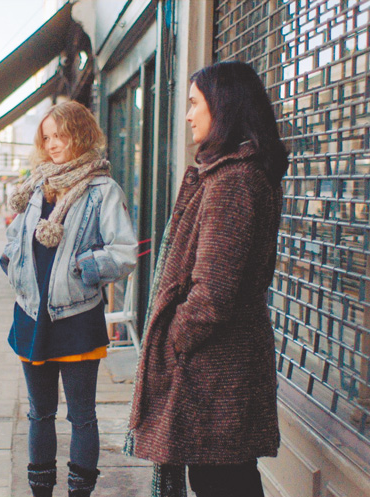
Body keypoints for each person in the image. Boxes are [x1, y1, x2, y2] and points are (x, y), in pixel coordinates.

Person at [127, 61, 288, 497]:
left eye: (195, 102)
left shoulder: (234, 181)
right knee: (225, 477)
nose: (187, 115)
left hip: (217, 372)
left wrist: (172, 340)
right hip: (224, 367)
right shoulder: (238, 173)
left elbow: (212, 294)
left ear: (224, 105)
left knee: (222, 481)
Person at [0, 101, 137, 497]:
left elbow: (123, 251)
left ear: (80, 134)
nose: (53, 144)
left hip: (77, 317)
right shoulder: (36, 185)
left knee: (82, 417)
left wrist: (82, 270)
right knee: (39, 414)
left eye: (60, 135)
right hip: (30, 315)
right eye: (47, 137)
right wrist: (15, 268)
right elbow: (13, 241)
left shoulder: (102, 188)